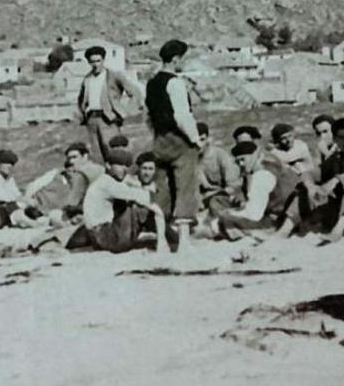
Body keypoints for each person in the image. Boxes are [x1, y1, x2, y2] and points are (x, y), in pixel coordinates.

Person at [275, 118, 344, 243]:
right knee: (305, 188)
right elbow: (309, 173)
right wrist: (311, 187)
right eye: (341, 138)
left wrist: (336, 180)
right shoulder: (336, 158)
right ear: (335, 139)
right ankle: (285, 230)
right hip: (339, 212)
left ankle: (337, 232)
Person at [145, 39, 202, 250]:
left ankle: (161, 240)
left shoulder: (151, 83)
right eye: (183, 60)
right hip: (178, 140)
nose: (184, 64)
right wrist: (195, 139)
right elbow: (182, 116)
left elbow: (149, 116)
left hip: (159, 140)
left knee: (162, 190)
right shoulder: (175, 82)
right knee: (185, 187)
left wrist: (157, 135)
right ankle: (184, 241)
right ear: (176, 59)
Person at [79, 149, 169, 254]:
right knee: (139, 206)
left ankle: (168, 237)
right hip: (106, 236)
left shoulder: (103, 181)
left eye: (126, 166)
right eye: (120, 165)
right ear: (108, 165)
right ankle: (168, 240)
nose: (124, 169)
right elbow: (148, 199)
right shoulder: (108, 184)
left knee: (133, 204)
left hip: (96, 237)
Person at [213, 141, 301, 241]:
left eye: (243, 159)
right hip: (291, 213)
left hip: (277, 220)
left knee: (224, 219)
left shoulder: (261, 175)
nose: (241, 164)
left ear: (255, 155)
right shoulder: (272, 162)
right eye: (238, 162)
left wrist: (231, 213)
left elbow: (254, 214)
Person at [77, 45, 144, 163]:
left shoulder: (113, 76)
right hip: (91, 120)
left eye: (98, 61)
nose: (95, 64)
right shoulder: (87, 78)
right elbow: (81, 99)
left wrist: (124, 112)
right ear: (88, 62)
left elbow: (135, 93)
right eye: (92, 62)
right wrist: (84, 113)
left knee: (113, 154)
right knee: (96, 156)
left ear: (103, 60)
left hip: (108, 119)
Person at [22, 158, 89, 228]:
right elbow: (34, 186)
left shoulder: (79, 182)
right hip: (39, 202)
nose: (71, 170)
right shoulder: (56, 174)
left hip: (55, 209)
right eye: (70, 167)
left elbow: (73, 202)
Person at [197, 121, 242, 217]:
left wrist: (209, 195)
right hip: (202, 197)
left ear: (209, 139)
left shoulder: (221, 156)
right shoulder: (191, 158)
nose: (198, 145)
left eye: (202, 140)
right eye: (195, 141)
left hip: (222, 196)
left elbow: (232, 187)